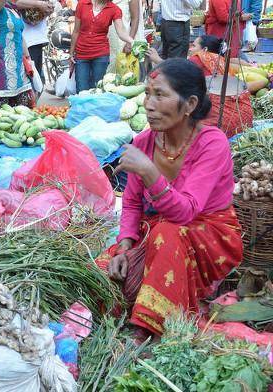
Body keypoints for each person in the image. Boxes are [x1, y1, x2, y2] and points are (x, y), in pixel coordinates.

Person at [96, 59, 242, 338]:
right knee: (106, 273)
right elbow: (132, 204)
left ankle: (151, 327)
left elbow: (186, 212)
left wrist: (149, 171)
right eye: (148, 93)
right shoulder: (144, 142)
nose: (149, 104)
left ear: (189, 105)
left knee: (167, 232)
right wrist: (124, 247)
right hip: (157, 230)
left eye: (160, 94)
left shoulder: (212, 143)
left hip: (208, 233)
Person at [70, 0, 134, 92]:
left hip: (101, 54)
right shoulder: (83, 4)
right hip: (81, 54)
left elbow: (121, 33)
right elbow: (76, 31)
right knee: (81, 89)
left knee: (97, 89)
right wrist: (71, 53)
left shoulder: (114, 9)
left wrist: (133, 42)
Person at [0, 0, 35, 106]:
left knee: (24, 107)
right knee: (5, 109)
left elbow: (20, 35)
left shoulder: (12, 8)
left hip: (19, 65)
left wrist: (28, 58)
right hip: (4, 65)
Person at [15, 0, 55, 89]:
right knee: (33, 80)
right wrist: (40, 4)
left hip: (37, 41)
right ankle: (31, 102)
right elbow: (17, 3)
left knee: (38, 80)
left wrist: (48, 9)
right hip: (28, 42)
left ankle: (34, 101)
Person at [147, 35, 226, 76]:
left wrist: (157, 59)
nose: (190, 48)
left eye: (194, 46)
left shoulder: (200, 57)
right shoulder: (219, 59)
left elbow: (176, 69)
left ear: (204, 49)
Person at [107, 0, 143, 73]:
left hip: (123, 42)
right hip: (104, 42)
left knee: (123, 75)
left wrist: (129, 43)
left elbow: (135, 18)